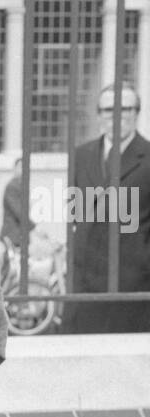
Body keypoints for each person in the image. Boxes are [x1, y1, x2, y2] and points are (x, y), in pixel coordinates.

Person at [61, 83, 150, 333]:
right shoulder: (81, 155)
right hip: (86, 281)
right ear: (99, 114)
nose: (117, 116)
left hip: (133, 284)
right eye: (109, 109)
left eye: (126, 108)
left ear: (137, 113)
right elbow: (76, 212)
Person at [1, 156, 34, 249]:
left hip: (19, 235)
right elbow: (18, 212)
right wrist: (33, 227)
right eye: (20, 167)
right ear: (14, 169)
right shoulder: (12, 186)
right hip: (13, 235)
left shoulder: (21, 185)